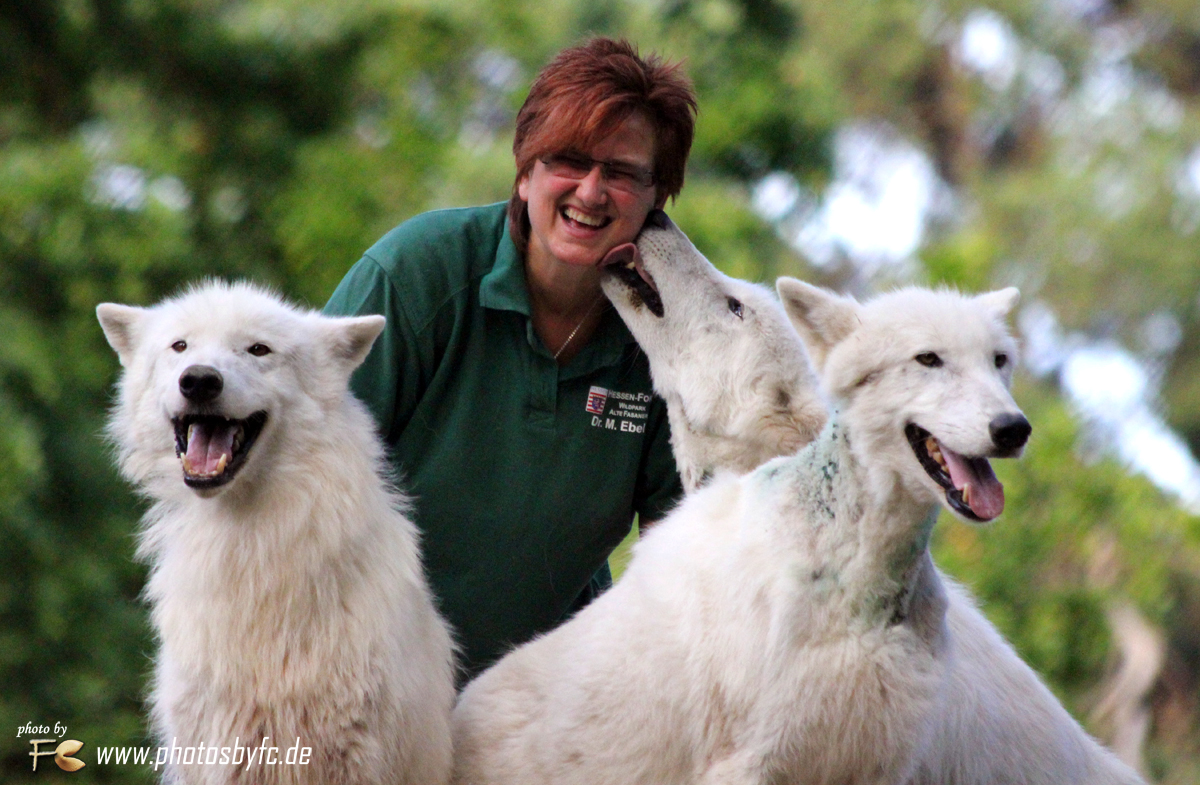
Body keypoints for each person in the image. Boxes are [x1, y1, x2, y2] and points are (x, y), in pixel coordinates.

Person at [323, 37, 697, 681]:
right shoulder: (414, 277)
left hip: (535, 705)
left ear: (656, 198)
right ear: (525, 173)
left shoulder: (669, 344)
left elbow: (684, 562)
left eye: (623, 172)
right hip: (355, 675)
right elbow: (292, 481)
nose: (591, 190)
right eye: (569, 162)